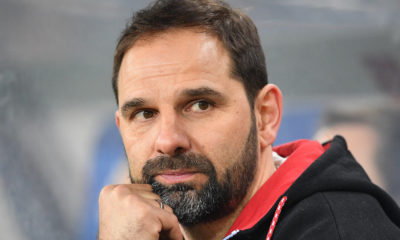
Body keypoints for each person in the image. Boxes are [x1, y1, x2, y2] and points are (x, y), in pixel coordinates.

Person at [98, 0, 400, 239]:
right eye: (144, 114)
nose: (167, 140)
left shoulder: (339, 229)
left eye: (200, 105)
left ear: (265, 116)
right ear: (121, 128)